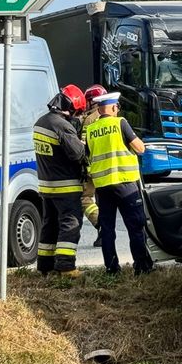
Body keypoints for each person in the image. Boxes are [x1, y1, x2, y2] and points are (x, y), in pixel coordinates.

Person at [84, 91, 154, 275]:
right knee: (135, 226)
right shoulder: (120, 123)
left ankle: (111, 268)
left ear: (99, 109)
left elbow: (88, 155)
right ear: (114, 107)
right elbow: (140, 148)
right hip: (125, 185)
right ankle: (142, 266)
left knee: (107, 229)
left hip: (103, 187)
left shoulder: (91, 130)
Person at [33, 84, 88, 276]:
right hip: (65, 185)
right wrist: (83, 144)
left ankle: (45, 266)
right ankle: (66, 266)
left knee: (50, 225)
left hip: (46, 185)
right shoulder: (61, 125)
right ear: (70, 106)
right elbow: (77, 154)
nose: (76, 116)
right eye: (77, 112)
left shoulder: (41, 122)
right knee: (70, 223)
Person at [80, 84, 107, 247]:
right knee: (103, 201)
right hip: (107, 169)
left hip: (92, 168)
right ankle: (103, 234)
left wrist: (84, 168)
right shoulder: (109, 116)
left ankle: (101, 227)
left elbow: (84, 147)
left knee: (85, 199)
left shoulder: (90, 119)